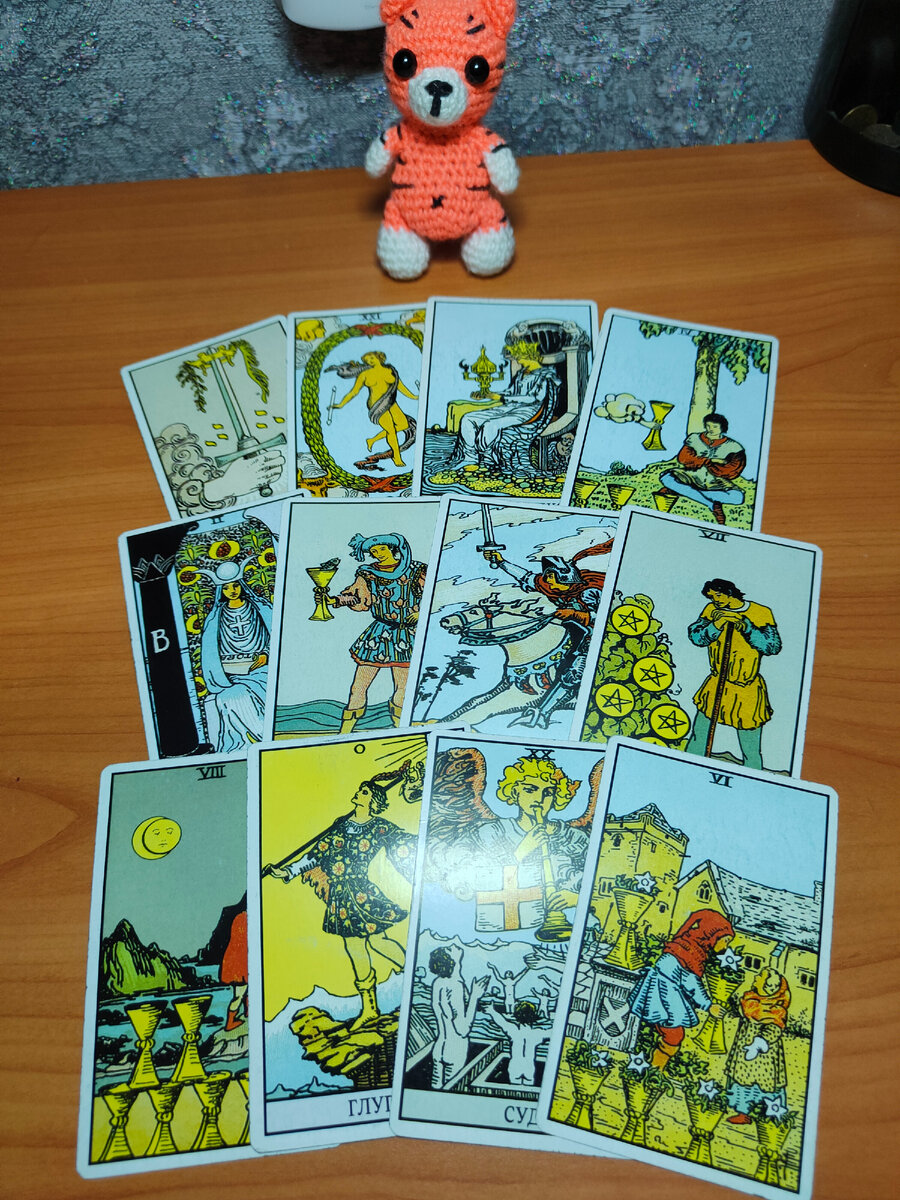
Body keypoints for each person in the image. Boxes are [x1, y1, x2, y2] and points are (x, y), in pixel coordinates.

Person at [266, 768, 417, 1029]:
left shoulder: (379, 827)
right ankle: (370, 1009)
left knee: (379, 942)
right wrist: (288, 871)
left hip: (360, 890)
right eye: (360, 789)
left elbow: (404, 844)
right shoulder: (340, 824)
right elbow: (316, 854)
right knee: (355, 948)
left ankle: (416, 981)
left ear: (373, 800)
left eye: (364, 791)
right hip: (340, 895)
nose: (358, 792)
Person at [466, 755, 588, 935]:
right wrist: (522, 850)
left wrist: (578, 898)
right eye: (530, 790)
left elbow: (602, 879)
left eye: (548, 792)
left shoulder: (575, 838)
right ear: (514, 792)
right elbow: (478, 877)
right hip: (509, 929)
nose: (539, 798)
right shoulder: (492, 832)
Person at [323, 532, 427, 731]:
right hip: (379, 634)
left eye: (381, 549)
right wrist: (334, 600)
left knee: (403, 690)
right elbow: (359, 600)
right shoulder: (367, 574)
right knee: (358, 687)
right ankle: (344, 733)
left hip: (408, 636)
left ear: (393, 549)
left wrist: (420, 614)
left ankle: (400, 731)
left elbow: (435, 595)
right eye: (373, 550)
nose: (378, 553)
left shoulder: (417, 570)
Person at [684, 578, 782, 770]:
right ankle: (688, 768)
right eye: (712, 597)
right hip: (716, 683)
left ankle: (752, 777)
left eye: (718, 595)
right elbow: (696, 637)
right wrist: (716, 625)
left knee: (750, 747)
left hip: (746, 688)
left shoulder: (761, 612)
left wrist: (746, 627)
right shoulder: (711, 610)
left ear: (730, 593)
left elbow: (772, 646)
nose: (715, 600)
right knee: (699, 736)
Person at [628, 909, 735, 1071]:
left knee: (670, 1034)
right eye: (725, 940)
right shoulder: (689, 953)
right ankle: (654, 1070)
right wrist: (708, 1005)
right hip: (663, 997)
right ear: (713, 935)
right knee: (674, 1035)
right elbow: (691, 983)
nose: (725, 947)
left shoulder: (684, 948)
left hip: (658, 995)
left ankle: (653, 1068)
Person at [452, 340, 560, 476]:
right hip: (510, 407)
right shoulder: (522, 373)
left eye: (519, 357)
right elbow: (510, 392)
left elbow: (534, 398)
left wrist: (502, 398)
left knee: (491, 424)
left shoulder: (545, 376)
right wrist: (489, 395)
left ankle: (487, 460)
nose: (518, 361)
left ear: (529, 355)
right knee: (468, 418)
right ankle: (470, 459)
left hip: (529, 412)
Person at [200, 573, 272, 752]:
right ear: (221, 590)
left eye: (235, 586)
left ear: (241, 585)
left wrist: (266, 654)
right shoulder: (216, 616)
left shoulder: (259, 608)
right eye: (226, 588)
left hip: (261, 669)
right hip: (231, 674)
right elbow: (211, 649)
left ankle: (262, 736)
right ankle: (254, 738)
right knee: (227, 697)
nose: (232, 591)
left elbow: (275, 632)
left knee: (239, 694)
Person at [725, 967, 791, 1124]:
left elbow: (774, 1029)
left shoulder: (775, 1009)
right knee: (741, 1079)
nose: (756, 976)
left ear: (768, 987)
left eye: (760, 976)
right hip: (744, 1051)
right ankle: (743, 1112)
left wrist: (760, 1042)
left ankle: (767, 1115)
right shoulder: (752, 1001)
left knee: (759, 1084)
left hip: (763, 1059)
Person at [655, 412, 746, 524]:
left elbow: (733, 469)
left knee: (738, 498)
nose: (711, 429)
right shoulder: (694, 438)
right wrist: (709, 461)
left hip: (715, 482)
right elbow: (683, 458)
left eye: (715, 426)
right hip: (691, 477)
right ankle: (711, 505)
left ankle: (682, 491)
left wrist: (714, 468)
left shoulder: (734, 446)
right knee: (666, 478)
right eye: (708, 426)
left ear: (722, 427)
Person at [330, 350, 416, 467]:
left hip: (391, 401)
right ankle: (397, 457)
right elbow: (353, 392)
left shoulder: (391, 371)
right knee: (391, 430)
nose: (369, 361)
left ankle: (372, 440)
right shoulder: (364, 374)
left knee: (404, 425)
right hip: (376, 405)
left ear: (379, 357)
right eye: (367, 360)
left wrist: (414, 396)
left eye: (371, 358)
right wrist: (341, 404)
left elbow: (400, 387)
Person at [429, 945, 488, 1088]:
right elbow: (463, 1029)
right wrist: (475, 996)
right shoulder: (456, 986)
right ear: (450, 960)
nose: (454, 946)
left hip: (439, 1048)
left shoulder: (438, 982)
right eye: (450, 949)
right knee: (449, 1092)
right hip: (454, 1050)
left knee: (435, 1090)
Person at [488, 1000, 551, 1086]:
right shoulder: (537, 1033)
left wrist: (491, 1011)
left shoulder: (514, 1030)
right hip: (529, 1068)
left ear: (517, 1016)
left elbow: (501, 1021)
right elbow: (553, 1032)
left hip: (515, 1067)